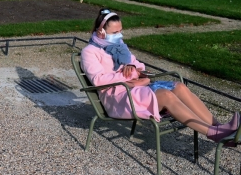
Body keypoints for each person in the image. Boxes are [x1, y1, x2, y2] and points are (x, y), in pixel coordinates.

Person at [81, 8, 239, 143]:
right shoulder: (90, 52)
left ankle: (219, 127)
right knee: (165, 95)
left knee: (180, 87)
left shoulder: (120, 47)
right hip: (117, 97)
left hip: (136, 89)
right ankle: (215, 135)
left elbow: (140, 66)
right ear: (101, 32)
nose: (120, 35)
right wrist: (128, 76)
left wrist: (132, 67)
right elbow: (98, 80)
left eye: (120, 30)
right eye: (115, 32)